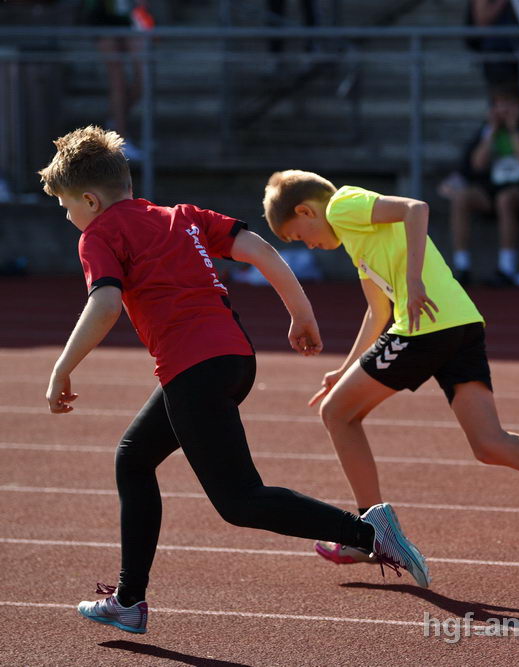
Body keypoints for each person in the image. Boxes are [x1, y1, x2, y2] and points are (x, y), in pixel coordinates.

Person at [39, 126, 430, 636]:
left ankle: (365, 531)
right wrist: (301, 314)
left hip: (194, 367)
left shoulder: (99, 235)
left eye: (67, 206)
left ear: (90, 199)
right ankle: (129, 600)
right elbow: (261, 250)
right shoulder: (182, 215)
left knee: (240, 501)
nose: (69, 218)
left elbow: (106, 302)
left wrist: (62, 367)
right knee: (133, 458)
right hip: (235, 356)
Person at [261, 169, 519, 566]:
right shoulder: (357, 238)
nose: (311, 245)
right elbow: (377, 312)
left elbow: (415, 208)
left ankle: (369, 532)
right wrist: (345, 370)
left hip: (425, 326)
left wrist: (413, 280)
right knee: (490, 443)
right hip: (461, 324)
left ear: (307, 210)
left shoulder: (342, 206)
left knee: (337, 414)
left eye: (300, 235)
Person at [447, 84, 519, 287]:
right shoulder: (487, 130)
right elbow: (477, 164)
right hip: (491, 188)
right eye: (499, 106)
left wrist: (512, 129)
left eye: (508, 105)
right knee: (461, 198)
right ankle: (461, 266)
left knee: (505, 200)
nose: (504, 111)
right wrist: (492, 131)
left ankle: (506, 267)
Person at [79, 0, 151, 160]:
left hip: (129, 17)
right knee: (117, 78)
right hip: (103, 18)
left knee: (143, 77)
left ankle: (115, 120)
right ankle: (121, 140)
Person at [464, 0, 519, 87]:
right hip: (495, 52)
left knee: (511, 94)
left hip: (509, 50)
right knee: (504, 95)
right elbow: (482, 20)